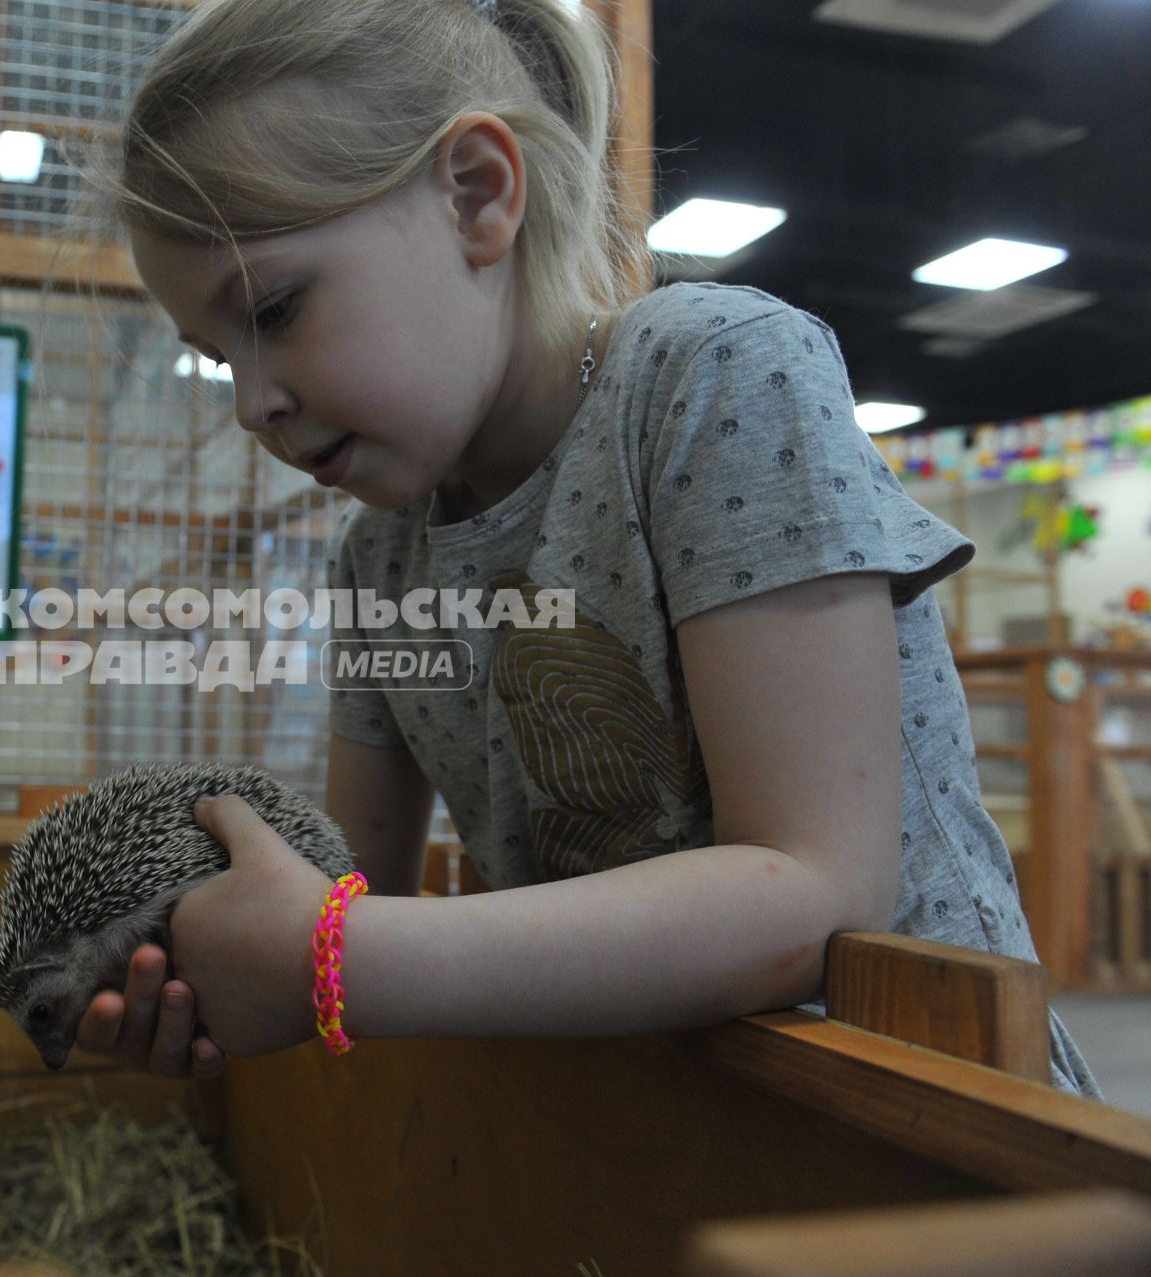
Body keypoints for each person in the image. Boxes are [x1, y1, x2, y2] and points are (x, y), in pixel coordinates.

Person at [69, 0, 1103, 1098]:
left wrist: (335, 958)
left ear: (477, 194)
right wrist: (203, 967)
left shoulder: (714, 377)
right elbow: (339, 889)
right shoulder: (378, 567)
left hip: (930, 1123)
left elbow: (818, 893)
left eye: (272, 309)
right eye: (212, 353)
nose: (249, 403)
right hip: (646, 1144)